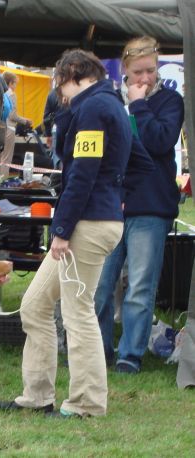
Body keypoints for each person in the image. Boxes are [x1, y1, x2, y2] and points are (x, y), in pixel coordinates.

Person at [0, 49, 134, 418]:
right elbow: (138, 162)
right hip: (99, 217)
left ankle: (86, 404)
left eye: (59, 84)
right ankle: (37, 395)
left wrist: (61, 229)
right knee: (35, 305)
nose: (59, 95)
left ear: (73, 73)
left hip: (87, 223)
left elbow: (83, 175)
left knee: (78, 314)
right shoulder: (112, 105)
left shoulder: (92, 109)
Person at [94, 36, 184, 374]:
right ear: (125, 70)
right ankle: (98, 350)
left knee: (140, 286)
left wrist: (139, 105)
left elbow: (160, 141)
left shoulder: (170, 101)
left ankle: (129, 355)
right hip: (111, 203)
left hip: (151, 205)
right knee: (101, 285)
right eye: (138, 73)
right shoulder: (108, 100)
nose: (144, 79)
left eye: (150, 70)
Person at [0, 72, 32, 177]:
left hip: (0, 128)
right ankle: (2, 181)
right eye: (15, 84)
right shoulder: (11, 95)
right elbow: (12, 115)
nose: (15, 86)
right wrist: (25, 121)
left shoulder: (0, 93)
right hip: (9, 129)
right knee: (6, 158)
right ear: (10, 83)